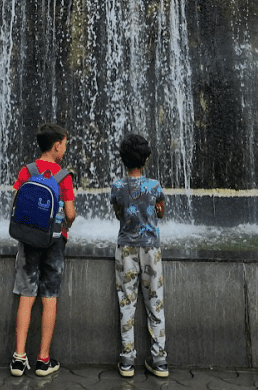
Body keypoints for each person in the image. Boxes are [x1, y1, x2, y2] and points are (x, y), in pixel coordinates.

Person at [10, 122, 76, 377]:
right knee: (49, 299)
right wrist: (68, 217)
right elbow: (69, 213)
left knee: (26, 298)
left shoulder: (26, 171)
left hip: (28, 239)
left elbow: (16, 204)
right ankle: (43, 360)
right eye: (65, 145)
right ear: (57, 145)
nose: (65, 150)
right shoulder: (64, 176)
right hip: (54, 242)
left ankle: (18, 359)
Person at [110, 132, 168, 379]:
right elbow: (161, 213)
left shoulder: (117, 187)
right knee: (155, 302)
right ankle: (159, 360)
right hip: (151, 250)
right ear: (146, 159)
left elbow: (118, 214)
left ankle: (127, 360)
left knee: (127, 302)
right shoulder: (155, 186)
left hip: (126, 250)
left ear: (123, 159)